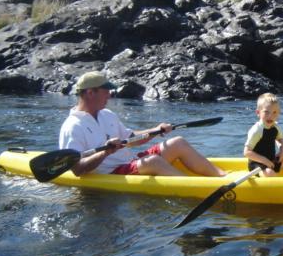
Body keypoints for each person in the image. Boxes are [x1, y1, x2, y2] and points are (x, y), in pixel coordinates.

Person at [58, 71, 225, 177]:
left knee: (177, 142)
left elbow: (130, 138)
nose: (109, 95)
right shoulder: (72, 126)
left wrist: (157, 130)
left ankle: (221, 177)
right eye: (106, 91)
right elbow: (77, 169)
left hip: (130, 161)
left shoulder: (106, 114)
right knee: (152, 161)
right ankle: (198, 188)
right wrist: (105, 153)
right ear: (90, 93)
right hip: (112, 172)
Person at [243, 93, 283, 177]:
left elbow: (280, 140)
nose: (270, 116)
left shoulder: (275, 127)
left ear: (278, 113)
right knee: (270, 173)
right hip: (258, 165)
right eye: (266, 112)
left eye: (274, 112)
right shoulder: (256, 130)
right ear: (258, 112)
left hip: (272, 160)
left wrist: (282, 150)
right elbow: (247, 152)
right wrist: (265, 161)